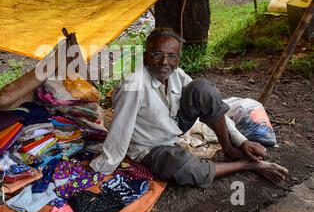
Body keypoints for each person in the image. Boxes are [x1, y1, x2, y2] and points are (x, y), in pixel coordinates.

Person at [90, 29, 288, 188]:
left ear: (178, 59)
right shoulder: (133, 86)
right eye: (157, 54)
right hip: (149, 147)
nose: (164, 62)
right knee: (183, 167)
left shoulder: (176, 74)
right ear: (145, 56)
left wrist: (242, 141)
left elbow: (210, 101)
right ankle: (246, 165)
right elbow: (120, 129)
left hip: (175, 127)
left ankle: (228, 149)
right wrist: (103, 168)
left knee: (203, 88)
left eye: (171, 56)